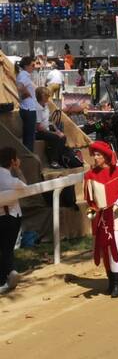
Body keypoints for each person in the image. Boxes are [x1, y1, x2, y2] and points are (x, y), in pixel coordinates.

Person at [83, 141, 118, 298]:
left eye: (99, 155)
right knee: (105, 251)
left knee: (113, 249)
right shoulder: (89, 176)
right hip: (101, 221)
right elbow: (90, 204)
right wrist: (91, 216)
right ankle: (111, 282)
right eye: (94, 155)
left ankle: (117, 284)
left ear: (106, 156)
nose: (95, 158)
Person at [0, 147, 27, 294]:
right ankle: (8, 275)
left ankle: (8, 274)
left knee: (4, 249)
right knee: (7, 249)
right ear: (12, 161)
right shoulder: (12, 180)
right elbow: (26, 186)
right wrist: (18, 170)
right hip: (11, 217)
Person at [34, 87, 66, 169]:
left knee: (63, 137)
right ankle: (53, 161)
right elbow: (38, 127)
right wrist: (54, 133)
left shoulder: (46, 106)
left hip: (46, 130)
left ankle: (58, 159)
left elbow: (50, 121)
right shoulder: (37, 108)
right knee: (55, 137)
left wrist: (57, 130)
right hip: (37, 132)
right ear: (42, 96)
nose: (48, 97)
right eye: (47, 96)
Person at [16, 56, 38, 152]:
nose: (34, 67)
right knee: (29, 136)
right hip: (29, 109)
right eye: (32, 65)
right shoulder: (24, 75)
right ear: (26, 66)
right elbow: (20, 87)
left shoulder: (23, 75)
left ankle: (28, 155)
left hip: (27, 108)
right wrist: (27, 94)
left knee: (28, 135)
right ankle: (29, 156)